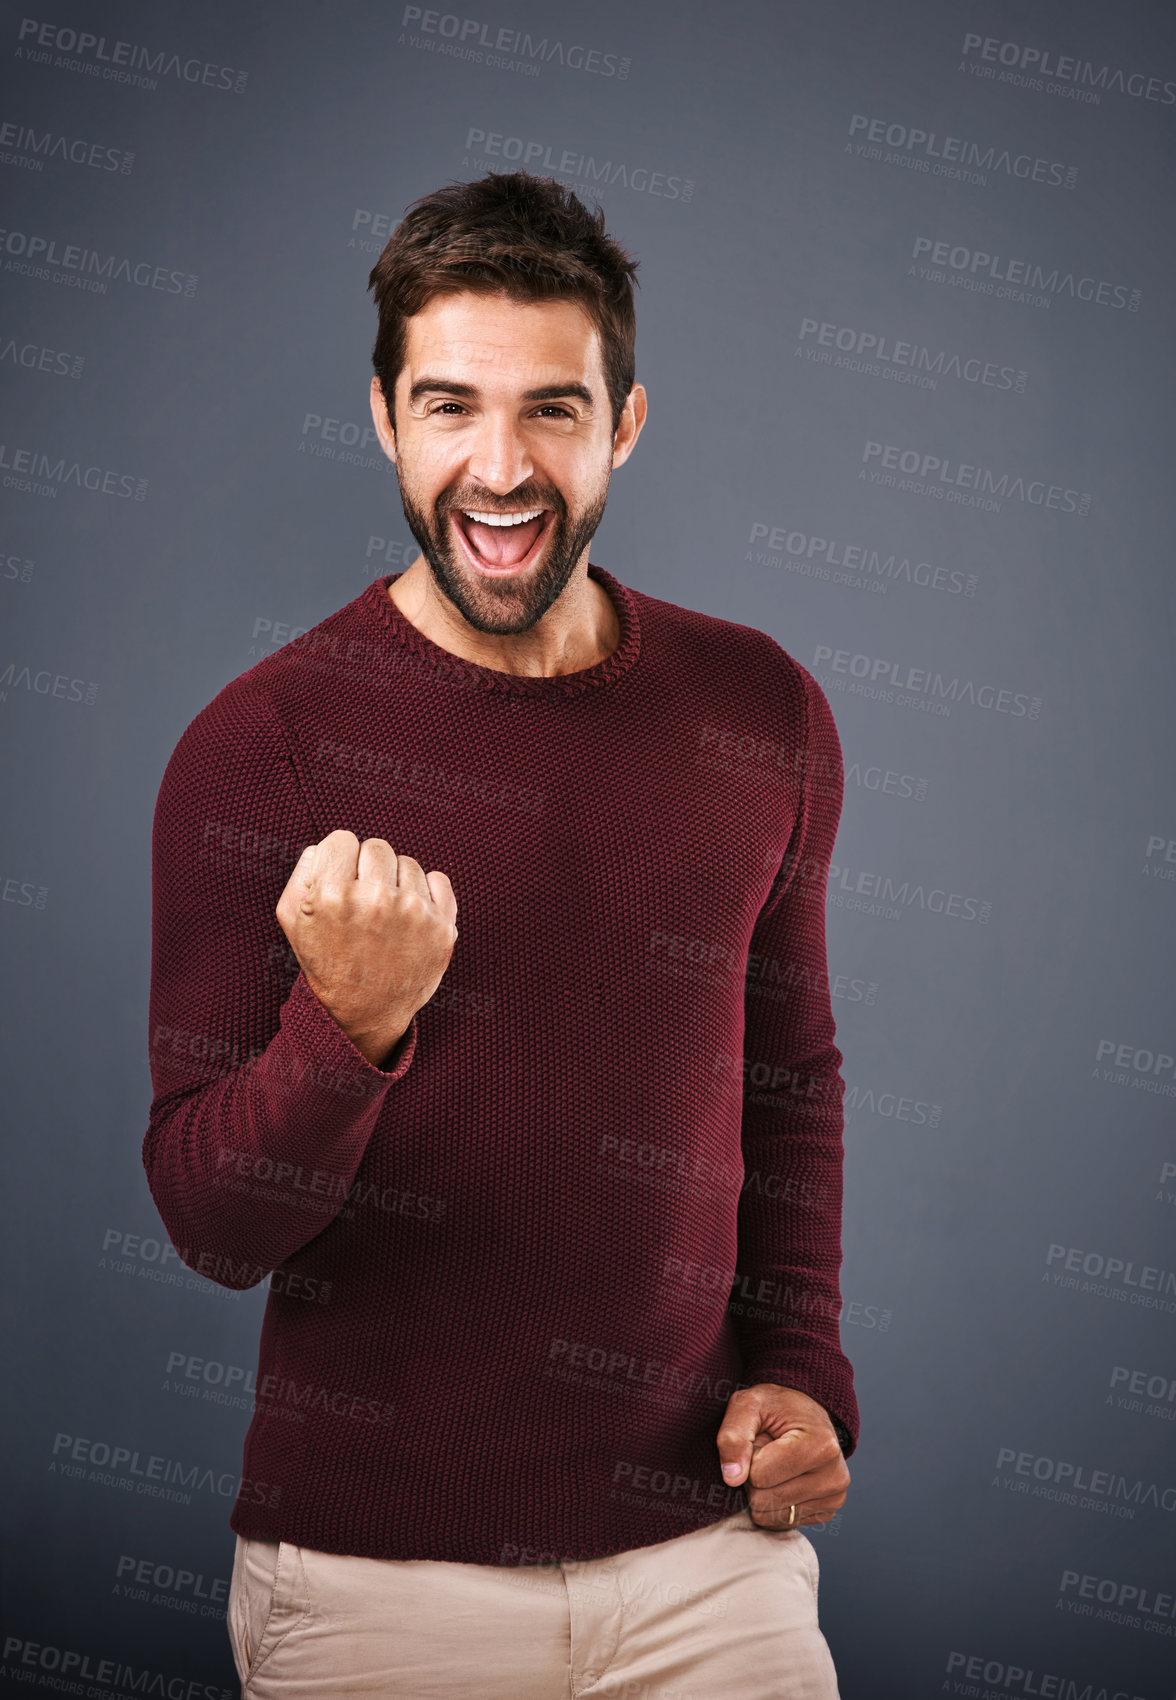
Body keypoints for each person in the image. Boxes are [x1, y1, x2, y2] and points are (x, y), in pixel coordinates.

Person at [143, 170, 858, 1698]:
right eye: (453, 405)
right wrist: (348, 1031)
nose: (502, 463)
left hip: (710, 1574)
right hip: (379, 1591)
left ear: (627, 425)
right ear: (389, 421)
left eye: (551, 408)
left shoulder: (763, 712)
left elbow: (790, 1079)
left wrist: (803, 1375)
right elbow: (212, 1223)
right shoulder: (257, 748)